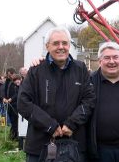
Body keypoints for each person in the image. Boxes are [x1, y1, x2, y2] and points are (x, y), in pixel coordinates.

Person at [18, 26, 96, 162]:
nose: (61, 47)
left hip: (74, 146)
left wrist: (72, 123)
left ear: (69, 45)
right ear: (47, 46)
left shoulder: (81, 69)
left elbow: (89, 100)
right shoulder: (36, 71)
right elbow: (23, 103)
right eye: (56, 43)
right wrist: (50, 126)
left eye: (65, 43)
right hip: (39, 147)